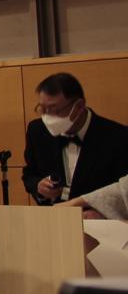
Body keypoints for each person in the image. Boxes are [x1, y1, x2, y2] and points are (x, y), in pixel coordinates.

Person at [22, 72, 128, 204]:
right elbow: (29, 174)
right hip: (54, 212)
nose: (47, 116)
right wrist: (39, 186)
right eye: (42, 109)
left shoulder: (118, 137)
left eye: (55, 110)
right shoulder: (37, 131)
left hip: (97, 215)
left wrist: (102, 212)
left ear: (79, 106)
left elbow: (123, 191)